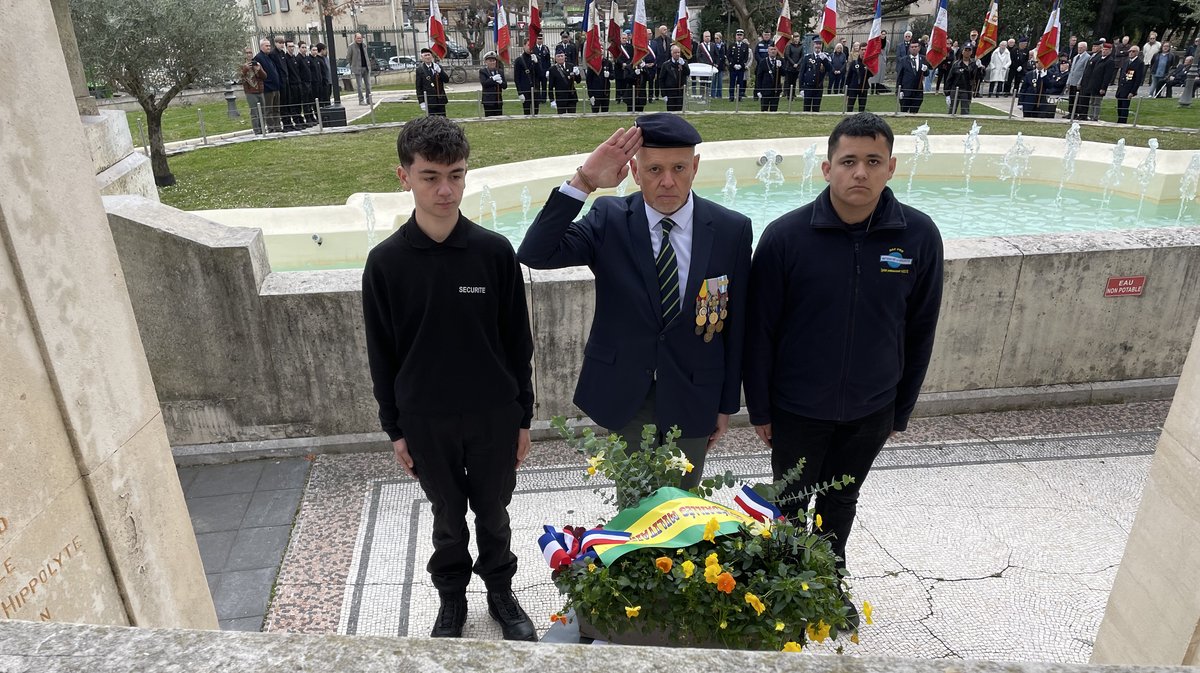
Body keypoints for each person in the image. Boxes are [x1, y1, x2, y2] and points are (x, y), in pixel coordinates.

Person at [744, 113, 943, 618]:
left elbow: (920, 328)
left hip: (871, 407)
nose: (860, 172)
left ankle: (828, 582)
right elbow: (760, 330)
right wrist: (761, 407)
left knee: (841, 501)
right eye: (848, 161)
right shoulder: (785, 237)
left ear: (891, 167)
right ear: (826, 167)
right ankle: (784, 582)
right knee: (790, 501)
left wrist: (901, 409)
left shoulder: (918, 237)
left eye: (872, 161)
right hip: (796, 407)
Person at [362, 115, 537, 642]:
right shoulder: (385, 263)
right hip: (425, 419)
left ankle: (502, 593)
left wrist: (523, 418)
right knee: (447, 516)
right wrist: (395, 429)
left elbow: (517, 344)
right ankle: (451, 599)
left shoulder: (493, 252)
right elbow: (381, 354)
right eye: (431, 176)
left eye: (456, 175)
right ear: (404, 177)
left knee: (494, 511)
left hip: (493, 415)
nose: (445, 189)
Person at [518, 114, 752, 491]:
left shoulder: (730, 228)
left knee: (683, 507)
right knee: (633, 505)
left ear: (694, 167)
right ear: (635, 171)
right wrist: (586, 180)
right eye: (654, 168)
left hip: (695, 392)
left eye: (679, 168)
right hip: (626, 392)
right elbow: (536, 253)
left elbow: (735, 326)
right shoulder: (609, 218)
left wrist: (727, 404)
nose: (667, 181)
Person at [1080, 42, 1117, 121]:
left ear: (1110, 51)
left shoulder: (1110, 61)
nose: (1104, 51)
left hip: (1100, 86)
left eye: (1106, 50)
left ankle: (1095, 117)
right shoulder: (1100, 59)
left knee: (1097, 102)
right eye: (1103, 49)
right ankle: (1091, 115)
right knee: (1092, 102)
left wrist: (1103, 88)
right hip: (1094, 85)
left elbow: (1107, 76)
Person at [252, 39, 280, 133]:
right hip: (268, 88)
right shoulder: (258, 58)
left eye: (269, 46)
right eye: (266, 46)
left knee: (276, 109)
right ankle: (271, 128)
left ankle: (278, 126)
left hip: (276, 87)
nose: (268, 47)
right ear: (261, 47)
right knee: (269, 110)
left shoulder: (269, 57)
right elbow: (258, 74)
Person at [945, 44, 984, 114]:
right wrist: (947, 94)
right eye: (965, 50)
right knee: (952, 110)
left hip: (966, 90)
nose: (967, 52)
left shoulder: (974, 64)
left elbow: (978, 77)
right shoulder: (956, 64)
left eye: (969, 51)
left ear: (971, 52)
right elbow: (949, 79)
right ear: (962, 52)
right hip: (955, 89)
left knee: (965, 110)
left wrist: (979, 69)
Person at [240, 47, 267, 135]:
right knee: (254, 112)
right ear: (244, 55)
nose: (249, 54)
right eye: (247, 53)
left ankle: (263, 128)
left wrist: (259, 70)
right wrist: (245, 69)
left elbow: (264, 77)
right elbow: (241, 79)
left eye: (250, 53)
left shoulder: (257, 64)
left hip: (260, 90)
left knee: (262, 111)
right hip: (250, 91)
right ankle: (257, 130)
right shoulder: (242, 65)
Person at [269, 36, 294, 131]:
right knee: (283, 103)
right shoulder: (273, 54)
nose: (282, 45)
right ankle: (285, 123)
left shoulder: (282, 53)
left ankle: (289, 122)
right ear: (275, 43)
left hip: (286, 80)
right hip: (280, 82)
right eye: (280, 43)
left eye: (283, 43)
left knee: (288, 102)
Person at [415, 48, 450, 116]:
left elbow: (446, 80)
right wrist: (421, 102)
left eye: (429, 55)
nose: (427, 57)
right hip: (429, 101)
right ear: (422, 58)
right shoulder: (420, 69)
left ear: (432, 56)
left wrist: (440, 71)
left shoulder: (438, 67)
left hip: (440, 99)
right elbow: (419, 87)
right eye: (425, 55)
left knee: (443, 121)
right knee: (432, 122)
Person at [896, 41, 928, 112]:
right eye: (912, 47)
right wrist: (898, 91)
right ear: (909, 48)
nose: (914, 49)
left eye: (915, 47)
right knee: (904, 112)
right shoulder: (903, 60)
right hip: (906, 91)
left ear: (919, 48)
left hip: (918, 91)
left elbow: (926, 74)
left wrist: (925, 70)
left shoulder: (923, 59)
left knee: (914, 112)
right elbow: (899, 76)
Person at [798, 38, 829, 111]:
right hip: (808, 87)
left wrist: (825, 60)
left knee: (816, 108)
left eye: (819, 44)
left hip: (818, 87)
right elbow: (801, 73)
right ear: (813, 45)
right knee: (806, 108)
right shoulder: (807, 57)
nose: (818, 46)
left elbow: (830, 70)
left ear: (822, 45)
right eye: (816, 44)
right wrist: (801, 88)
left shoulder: (825, 57)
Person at [1115, 45, 1144, 123]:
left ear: (1137, 52)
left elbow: (1138, 79)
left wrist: (1132, 91)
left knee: (1125, 106)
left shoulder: (1139, 63)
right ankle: (1119, 120)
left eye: (1133, 51)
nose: (1131, 53)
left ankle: (1123, 121)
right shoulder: (1126, 61)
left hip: (1129, 89)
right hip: (1122, 87)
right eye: (1130, 51)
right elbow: (1122, 74)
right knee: (1119, 106)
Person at [514, 44, 545, 115]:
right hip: (525, 89)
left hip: (535, 88)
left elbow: (540, 75)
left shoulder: (537, 58)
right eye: (528, 45)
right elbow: (517, 78)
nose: (530, 47)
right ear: (524, 46)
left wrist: (536, 63)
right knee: (526, 111)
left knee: (536, 111)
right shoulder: (519, 60)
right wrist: (520, 92)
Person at [659, 45, 690, 112]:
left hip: (680, 91)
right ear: (671, 53)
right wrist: (664, 94)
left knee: (679, 112)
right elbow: (661, 79)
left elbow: (688, 73)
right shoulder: (666, 65)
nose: (677, 54)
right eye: (675, 52)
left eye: (679, 52)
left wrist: (684, 65)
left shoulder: (683, 62)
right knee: (671, 112)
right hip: (670, 91)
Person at [348, 32, 373, 106]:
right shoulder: (351, 46)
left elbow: (366, 55)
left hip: (366, 67)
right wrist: (353, 65)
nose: (359, 39)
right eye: (358, 38)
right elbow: (348, 57)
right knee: (359, 86)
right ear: (355, 38)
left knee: (368, 85)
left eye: (360, 38)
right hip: (357, 68)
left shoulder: (364, 45)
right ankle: (361, 100)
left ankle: (369, 100)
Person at [1066, 41, 1090, 118]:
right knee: (1071, 98)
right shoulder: (1075, 57)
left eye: (1081, 47)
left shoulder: (1087, 57)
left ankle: (1077, 113)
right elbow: (1072, 70)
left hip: (1078, 81)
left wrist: (1080, 82)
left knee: (1078, 99)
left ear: (1085, 48)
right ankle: (1071, 113)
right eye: (1078, 47)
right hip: (1072, 80)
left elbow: (1084, 71)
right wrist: (1068, 82)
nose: (1079, 49)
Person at [479, 51, 507, 117]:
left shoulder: (499, 71)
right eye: (490, 61)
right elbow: (484, 83)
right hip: (488, 101)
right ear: (486, 62)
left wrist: (501, 82)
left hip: (498, 101)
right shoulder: (483, 71)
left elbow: (505, 86)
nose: (492, 62)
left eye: (494, 61)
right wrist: (493, 79)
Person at [727, 28, 752, 101]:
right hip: (733, 67)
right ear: (735, 36)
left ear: (743, 36)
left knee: (740, 82)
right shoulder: (732, 45)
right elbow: (729, 56)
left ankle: (739, 96)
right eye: (738, 35)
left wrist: (741, 65)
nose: (739, 37)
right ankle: (731, 96)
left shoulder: (745, 46)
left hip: (741, 67)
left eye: (740, 35)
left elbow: (746, 57)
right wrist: (733, 64)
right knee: (732, 82)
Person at [756, 45, 783, 111]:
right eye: (771, 49)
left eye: (774, 49)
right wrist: (758, 90)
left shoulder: (780, 61)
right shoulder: (763, 62)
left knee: (774, 110)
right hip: (765, 90)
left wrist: (780, 67)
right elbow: (759, 77)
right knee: (764, 109)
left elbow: (784, 74)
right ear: (768, 51)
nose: (773, 51)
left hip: (776, 90)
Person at [845, 43, 870, 112]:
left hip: (863, 87)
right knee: (850, 107)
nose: (864, 51)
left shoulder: (868, 64)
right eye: (862, 50)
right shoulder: (854, 63)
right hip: (853, 87)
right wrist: (847, 92)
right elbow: (848, 77)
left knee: (862, 108)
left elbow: (872, 75)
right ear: (859, 51)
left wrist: (869, 68)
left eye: (865, 50)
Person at [615, 31, 635, 110]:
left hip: (628, 68)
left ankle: (624, 96)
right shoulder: (617, 47)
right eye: (623, 38)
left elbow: (632, 57)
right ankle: (618, 97)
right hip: (619, 67)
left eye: (625, 38)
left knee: (625, 82)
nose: (624, 40)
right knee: (618, 83)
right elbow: (616, 57)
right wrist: (622, 63)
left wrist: (627, 64)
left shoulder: (630, 47)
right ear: (620, 39)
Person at [783, 33, 804, 100]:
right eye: (795, 37)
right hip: (789, 67)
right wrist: (793, 63)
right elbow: (787, 55)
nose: (796, 39)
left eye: (797, 37)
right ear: (793, 38)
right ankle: (789, 95)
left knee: (794, 82)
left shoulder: (801, 46)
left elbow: (802, 56)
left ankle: (793, 94)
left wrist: (798, 63)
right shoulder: (789, 46)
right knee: (789, 82)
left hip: (797, 67)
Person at [711, 32, 727, 98]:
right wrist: (714, 63)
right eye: (715, 38)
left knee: (720, 81)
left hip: (721, 65)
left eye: (717, 38)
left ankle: (719, 95)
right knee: (713, 81)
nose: (716, 40)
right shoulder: (713, 45)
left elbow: (725, 53)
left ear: (720, 38)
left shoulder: (723, 45)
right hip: (715, 65)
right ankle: (713, 95)